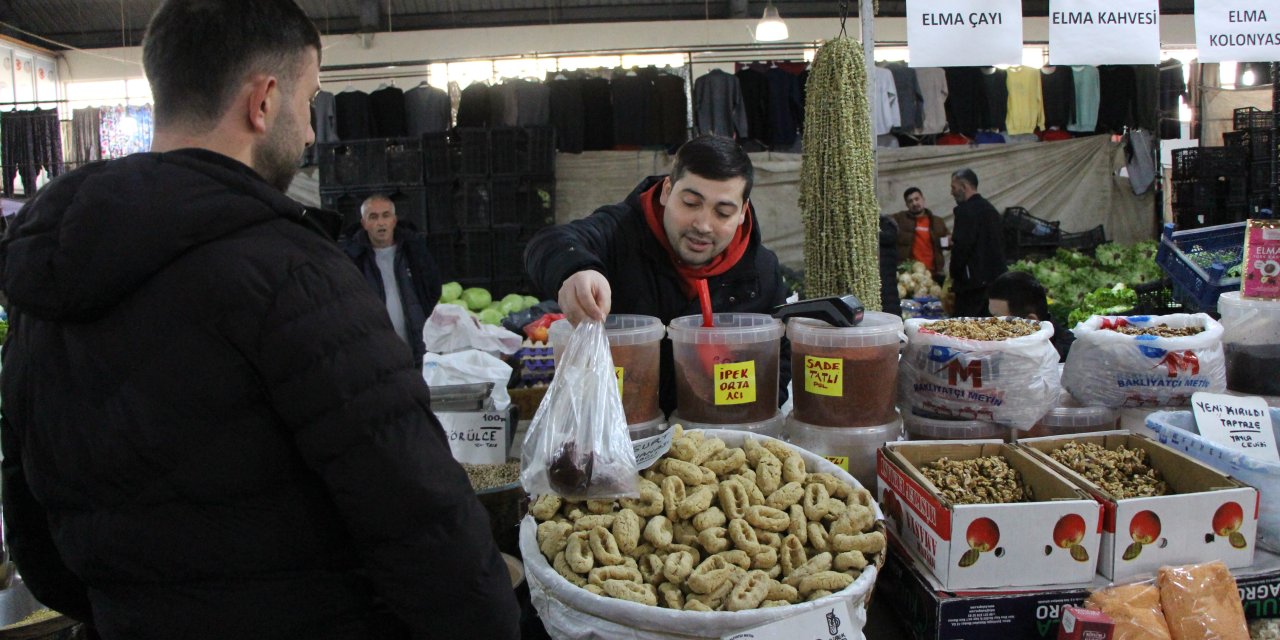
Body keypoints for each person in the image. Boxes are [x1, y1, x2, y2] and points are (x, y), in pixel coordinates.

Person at [0, 1, 520, 638]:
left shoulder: (46, 280)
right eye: (309, 100)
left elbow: (34, 530)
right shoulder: (294, 273)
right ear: (264, 101)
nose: (311, 133)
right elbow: (418, 511)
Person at [524, 134, 792, 416]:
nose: (703, 225)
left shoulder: (760, 272)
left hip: (717, 433)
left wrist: (745, 418)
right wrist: (576, 269)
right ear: (667, 191)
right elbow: (549, 243)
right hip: (622, 426)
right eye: (690, 203)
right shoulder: (620, 234)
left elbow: (780, 361)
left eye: (723, 213)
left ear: (742, 212)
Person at [344, 194, 443, 367]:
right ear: (364, 223)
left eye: (386, 215)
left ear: (394, 220)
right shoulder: (353, 258)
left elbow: (433, 288)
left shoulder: (414, 250)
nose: (381, 223)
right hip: (375, 353)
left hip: (418, 346)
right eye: (373, 217)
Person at [949, 168, 1007, 317]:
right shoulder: (991, 210)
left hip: (972, 287)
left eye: (953, 188)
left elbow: (961, 248)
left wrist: (954, 274)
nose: (951, 192)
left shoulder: (965, 212)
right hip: (993, 283)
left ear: (964, 187)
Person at [988, 271, 1074, 361]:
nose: (990, 326)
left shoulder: (1070, 357)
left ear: (1030, 322)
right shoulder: (994, 353)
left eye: (998, 321)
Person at [891, 187, 949, 283]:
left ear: (923, 199)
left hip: (934, 274)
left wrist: (950, 241)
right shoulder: (900, 219)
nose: (914, 203)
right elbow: (882, 221)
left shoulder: (938, 221)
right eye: (910, 201)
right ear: (906, 205)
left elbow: (946, 243)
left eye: (917, 199)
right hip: (910, 276)